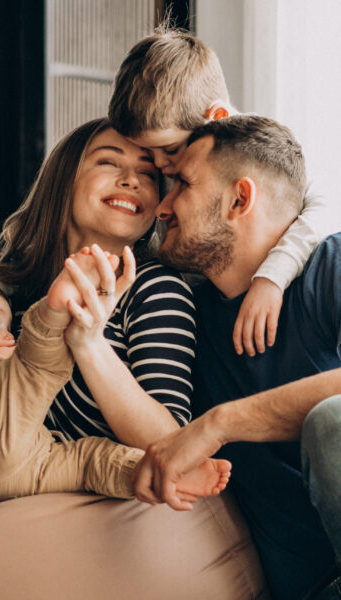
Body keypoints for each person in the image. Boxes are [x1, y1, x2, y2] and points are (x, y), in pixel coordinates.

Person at [0, 118, 200, 539]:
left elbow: (168, 440)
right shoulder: (2, 285)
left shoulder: (154, 287)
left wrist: (89, 344)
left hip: (57, 495)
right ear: (64, 179)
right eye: (110, 163)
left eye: (147, 174)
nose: (131, 181)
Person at [132, 114, 341, 600]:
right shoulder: (182, 320)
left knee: (330, 421)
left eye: (181, 183)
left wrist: (218, 424)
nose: (161, 207)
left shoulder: (328, 268)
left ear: (240, 200)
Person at [0, 256, 232, 546]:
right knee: (35, 363)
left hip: (31, 460)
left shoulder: (156, 286)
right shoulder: (10, 280)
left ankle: (156, 474)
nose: (8, 334)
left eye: (9, 323)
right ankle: (53, 314)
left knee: (90, 461)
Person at [108, 24, 337, 357]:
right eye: (148, 157)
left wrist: (270, 279)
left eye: (169, 149)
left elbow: (324, 206)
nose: (161, 167)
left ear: (215, 117)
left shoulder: (264, 155)